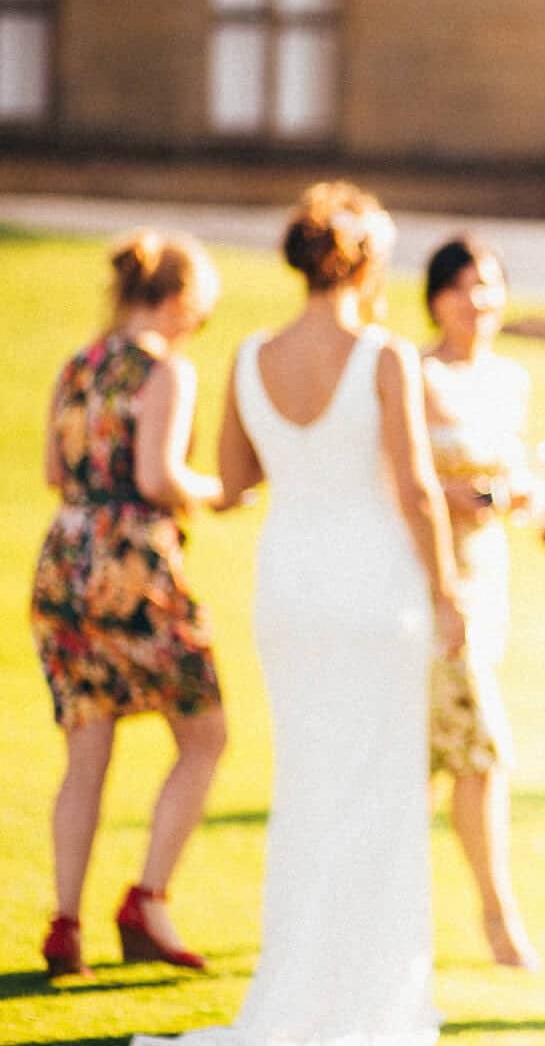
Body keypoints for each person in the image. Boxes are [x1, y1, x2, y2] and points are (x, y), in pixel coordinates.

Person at [136, 182, 463, 1045]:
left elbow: (233, 484)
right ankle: (372, 1008)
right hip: (373, 587)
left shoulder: (249, 356)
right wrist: (449, 590)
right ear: (366, 261)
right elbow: (417, 490)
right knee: (382, 794)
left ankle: (302, 993)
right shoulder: (385, 355)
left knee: (309, 786)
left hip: (291, 587)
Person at [32, 231, 229, 979]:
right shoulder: (164, 372)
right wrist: (218, 490)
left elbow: (55, 468)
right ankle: (147, 898)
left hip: (64, 561)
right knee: (205, 736)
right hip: (134, 567)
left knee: (86, 754)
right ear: (177, 302)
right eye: (199, 314)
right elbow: (156, 476)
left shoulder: (75, 366)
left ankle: (65, 923)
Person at [421, 235, 540, 969]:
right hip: (428, 582)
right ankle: (498, 918)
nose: (480, 301)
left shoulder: (510, 379)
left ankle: (383, 905)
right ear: (435, 298)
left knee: (433, 754)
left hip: (489, 577)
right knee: (480, 751)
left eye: (491, 285)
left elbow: (519, 467)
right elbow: (392, 482)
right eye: (465, 286)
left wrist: (523, 495)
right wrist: (448, 497)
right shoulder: (415, 374)